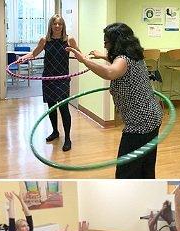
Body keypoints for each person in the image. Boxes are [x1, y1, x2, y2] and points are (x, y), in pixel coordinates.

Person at [66, 23, 162, 179]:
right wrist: (102, 56)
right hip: (152, 117)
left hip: (140, 124)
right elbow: (119, 63)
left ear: (117, 43)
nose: (105, 45)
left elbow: (110, 72)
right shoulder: (134, 55)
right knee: (146, 167)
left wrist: (84, 60)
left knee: (126, 172)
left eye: (106, 42)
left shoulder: (123, 59)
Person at [17, 14, 79, 152]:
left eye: (60, 24)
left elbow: (79, 55)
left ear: (63, 26)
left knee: (64, 108)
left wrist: (85, 58)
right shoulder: (44, 40)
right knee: (51, 107)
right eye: (54, 23)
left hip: (62, 79)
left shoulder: (69, 40)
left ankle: (68, 138)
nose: (57, 26)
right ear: (50, 25)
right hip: (48, 78)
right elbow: (34, 53)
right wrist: (23, 58)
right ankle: (55, 131)